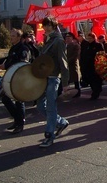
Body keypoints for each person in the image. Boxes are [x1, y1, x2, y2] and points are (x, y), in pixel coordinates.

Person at [37, 17, 70, 148]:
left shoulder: (58, 41)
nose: (46, 28)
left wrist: (66, 82)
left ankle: (49, 135)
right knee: (40, 105)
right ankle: (61, 122)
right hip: (44, 78)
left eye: (49, 25)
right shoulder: (47, 40)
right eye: (45, 25)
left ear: (54, 26)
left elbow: (63, 62)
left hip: (53, 78)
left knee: (51, 108)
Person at [0, 28, 30, 134]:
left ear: (19, 37)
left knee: (18, 101)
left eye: (13, 36)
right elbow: (10, 57)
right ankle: (17, 120)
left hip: (20, 78)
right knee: (5, 98)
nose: (10, 38)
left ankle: (20, 123)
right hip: (12, 77)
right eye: (10, 35)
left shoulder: (24, 48)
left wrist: (5, 66)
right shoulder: (14, 48)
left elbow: (22, 63)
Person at [79, 32, 104, 100]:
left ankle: (96, 92)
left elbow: (101, 55)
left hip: (95, 66)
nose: (89, 40)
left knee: (96, 80)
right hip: (88, 66)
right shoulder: (86, 45)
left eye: (90, 38)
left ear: (94, 38)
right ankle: (95, 91)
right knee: (90, 80)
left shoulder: (98, 45)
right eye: (88, 38)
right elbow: (83, 54)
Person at [65, 32, 82, 98]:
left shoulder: (76, 45)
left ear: (72, 38)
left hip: (73, 65)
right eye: (66, 38)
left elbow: (75, 56)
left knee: (76, 81)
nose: (67, 39)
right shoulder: (64, 46)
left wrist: (67, 61)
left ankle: (78, 93)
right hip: (66, 66)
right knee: (66, 81)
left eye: (69, 38)